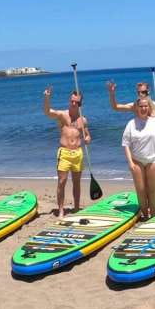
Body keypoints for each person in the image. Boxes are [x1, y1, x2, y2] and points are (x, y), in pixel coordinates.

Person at [108, 80, 155, 206]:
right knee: (143, 179)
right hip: (139, 148)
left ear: (148, 92)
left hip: (154, 146)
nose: (141, 95)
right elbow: (116, 107)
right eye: (139, 93)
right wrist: (112, 94)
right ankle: (147, 205)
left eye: (143, 92)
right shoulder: (135, 105)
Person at [43, 86, 92, 217]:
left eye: (77, 102)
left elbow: (87, 135)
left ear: (81, 103)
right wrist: (47, 97)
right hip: (64, 153)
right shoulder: (62, 115)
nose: (74, 103)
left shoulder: (83, 119)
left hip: (78, 154)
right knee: (62, 181)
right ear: (69, 100)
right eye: (72, 101)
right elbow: (48, 112)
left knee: (77, 182)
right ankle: (61, 210)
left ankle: (76, 208)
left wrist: (87, 138)